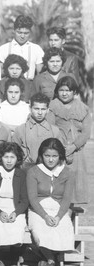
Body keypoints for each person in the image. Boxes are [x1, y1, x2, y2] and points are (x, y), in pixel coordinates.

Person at [27, 138, 75, 266]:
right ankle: (50, 259)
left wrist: (59, 216)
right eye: (47, 156)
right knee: (40, 230)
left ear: (60, 156)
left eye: (54, 156)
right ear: (41, 156)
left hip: (59, 209)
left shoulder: (68, 172)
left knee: (62, 229)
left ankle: (47, 258)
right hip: (39, 210)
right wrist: (45, 216)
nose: (51, 160)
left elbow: (66, 198)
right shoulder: (34, 171)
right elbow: (33, 198)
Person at [0, 142, 29, 266]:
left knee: (17, 225)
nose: (9, 161)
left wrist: (16, 213)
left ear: (17, 159)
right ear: (1, 158)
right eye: (6, 157)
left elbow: (24, 199)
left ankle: (14, 256)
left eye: (12, 157)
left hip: (15, 207)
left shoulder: (21, 174)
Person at [48, 76, 92, 204]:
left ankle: (74, 218)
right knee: (58, 183)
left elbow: (86, 132)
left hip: (77, 150)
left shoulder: (83, 108)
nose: (64, 93)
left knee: (76, 183)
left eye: (68, 90)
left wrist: (74, 146)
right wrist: (62, 147)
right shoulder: (52, 106)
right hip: (57, 148)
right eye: (61, 90)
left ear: (74, 92)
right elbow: (51, 127)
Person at [12, 93, 61, 170]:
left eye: (43, 109)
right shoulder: (21, 129)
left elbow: (59, 155)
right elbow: (13, 153)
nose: (40, 113)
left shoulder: (55, 131)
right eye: (36, 109)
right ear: (30, 108)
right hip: (25, 170)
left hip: (48, 170)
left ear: (48, 110)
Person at [0, 15, 44, 80]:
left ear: (30, 32)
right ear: (14, 31)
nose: (22, 36)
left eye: (26, 33)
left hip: (29, 85)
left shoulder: (36, 49)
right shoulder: (3, 49)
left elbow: (41, 74)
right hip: (9, 85)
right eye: (19, 32)